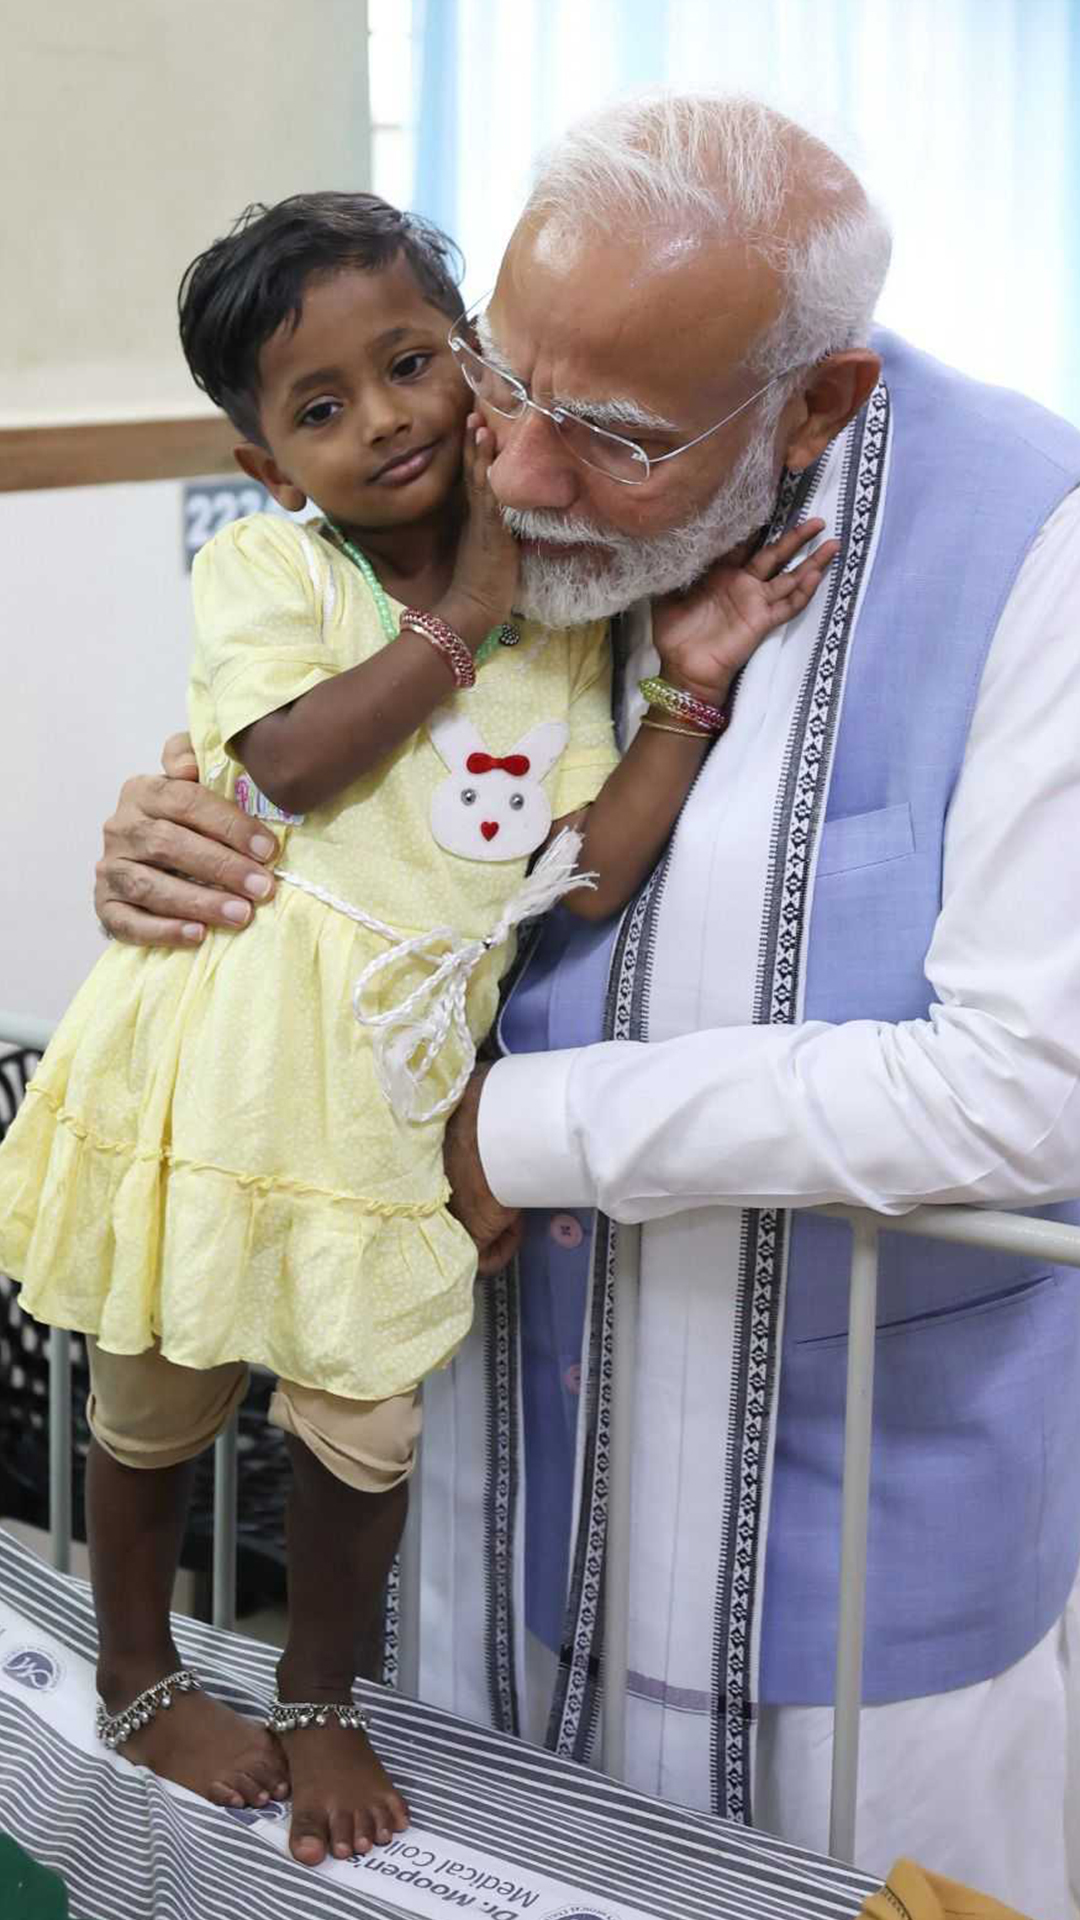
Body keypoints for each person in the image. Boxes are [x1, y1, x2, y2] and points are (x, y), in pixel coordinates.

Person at [87, 97, 1080, 1914]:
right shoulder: (466, 506)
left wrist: (519, 1131)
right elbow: (358, 808)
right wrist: (170, 846)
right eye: (500, 382)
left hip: (845, 1603)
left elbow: (1031, 1087)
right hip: (476, 1518)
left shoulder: (1039, 553)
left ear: (814, 407)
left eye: (607, 435)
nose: (517, 470)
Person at [0, 188, 833, 1869]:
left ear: (477, 364)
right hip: (229, 1046)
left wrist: (691, 686)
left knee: (361, 1416)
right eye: (320, 407)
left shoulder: (576, 616)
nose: (383, 417)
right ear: (267, 466)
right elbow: (290, 763)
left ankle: (320, 1693)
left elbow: (580, 872)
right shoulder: (274, 568)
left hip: (390, 1083)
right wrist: (458, 612)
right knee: (158, 1382)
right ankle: (144, 1670)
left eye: (410, 363)